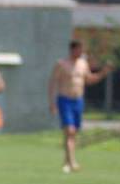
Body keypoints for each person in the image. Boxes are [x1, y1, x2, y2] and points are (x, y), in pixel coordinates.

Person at [48, 40, 112, 173]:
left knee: (73, 133)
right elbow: (53, 83)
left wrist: (103, 73)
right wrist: (52, 102)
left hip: (78, 101)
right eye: (79, 50)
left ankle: (66, 161)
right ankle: (72, 162)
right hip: (65, 100)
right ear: (72, 49)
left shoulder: (83, 64)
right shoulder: (61, 64)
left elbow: (89, 80)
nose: (81, 52)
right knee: (69, 131)